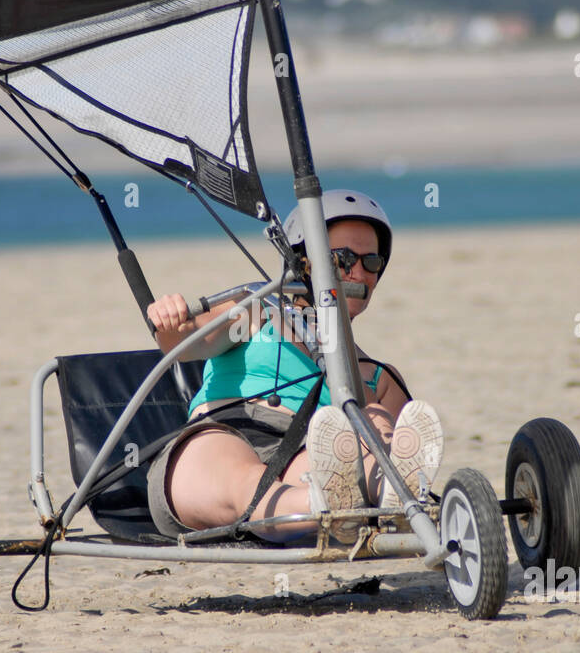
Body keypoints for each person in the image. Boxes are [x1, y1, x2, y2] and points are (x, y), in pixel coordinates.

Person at [145, 190, 443, 543]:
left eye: (371, 262)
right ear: (303, 262)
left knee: (374, 418)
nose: (358, 273)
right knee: (246, 482)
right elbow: (186, 343)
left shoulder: (377, 376)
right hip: (224, 433)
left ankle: (383, 491)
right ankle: (329, 505)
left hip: (305, 454)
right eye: (342, 259)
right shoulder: (256, 310)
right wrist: (170, 321)